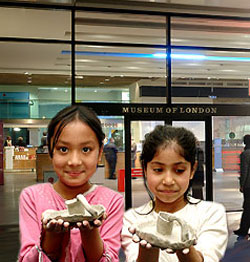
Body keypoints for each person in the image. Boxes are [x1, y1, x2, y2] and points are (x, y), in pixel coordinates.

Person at [18, 105, 124, 262]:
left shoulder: (113, 201)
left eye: (86, 149)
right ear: (50, 152)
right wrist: (52, 238)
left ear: (100, 152)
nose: (74, 161)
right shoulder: (31, 197)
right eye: (63, 149)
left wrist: (90, 233)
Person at [121, 125, 228, 262]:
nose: (168, 180)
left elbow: (208, 257)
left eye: (179, 170)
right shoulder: (133, 219)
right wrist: (148, 246)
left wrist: (184, 247)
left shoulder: (211, 213)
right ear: (145, 169)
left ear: (192, 170)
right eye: (158, 170)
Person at [234, 134, 250, 238]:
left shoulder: (245, 154)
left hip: (248, 185)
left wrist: (242, 185)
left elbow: (244, 171)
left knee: (247, 207)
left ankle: (243, 229)